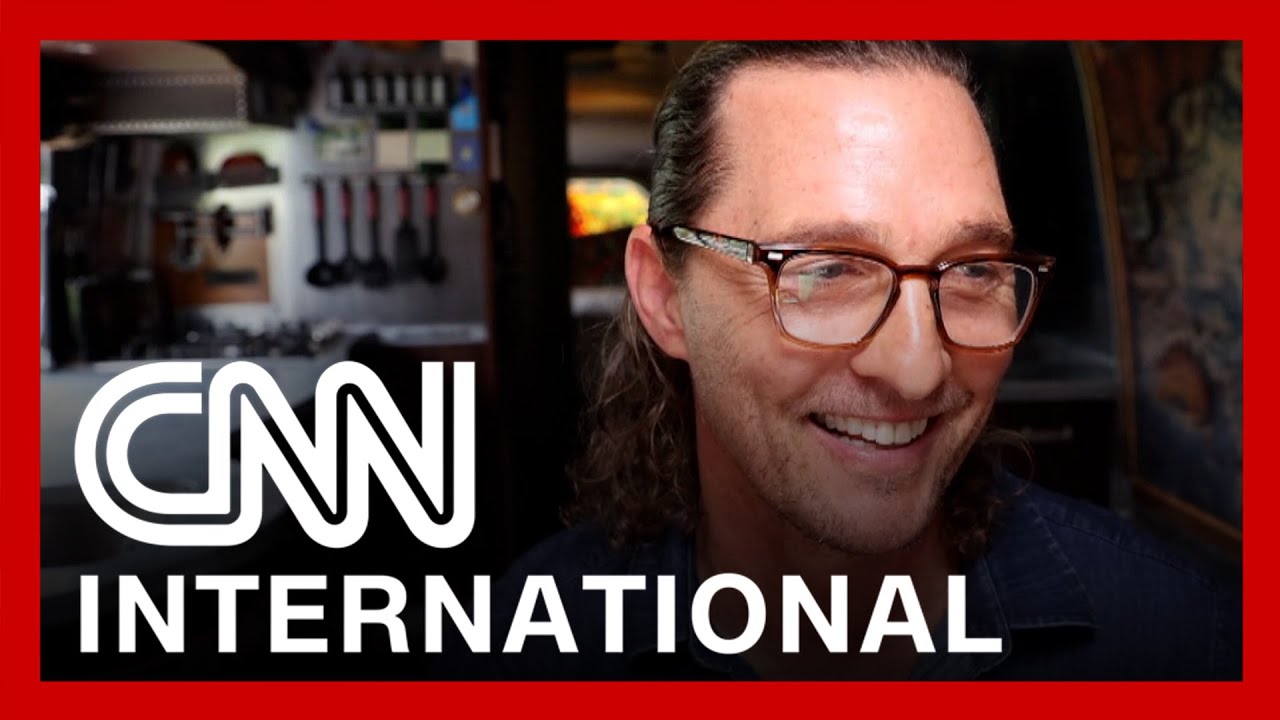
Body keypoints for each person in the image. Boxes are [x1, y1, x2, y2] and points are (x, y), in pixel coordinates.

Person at [434, 40, 1242, 680]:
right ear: (664, 296)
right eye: (825, 271)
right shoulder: (524, 656)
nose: (919, 369)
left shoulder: (1178, 643)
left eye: (972, 271)